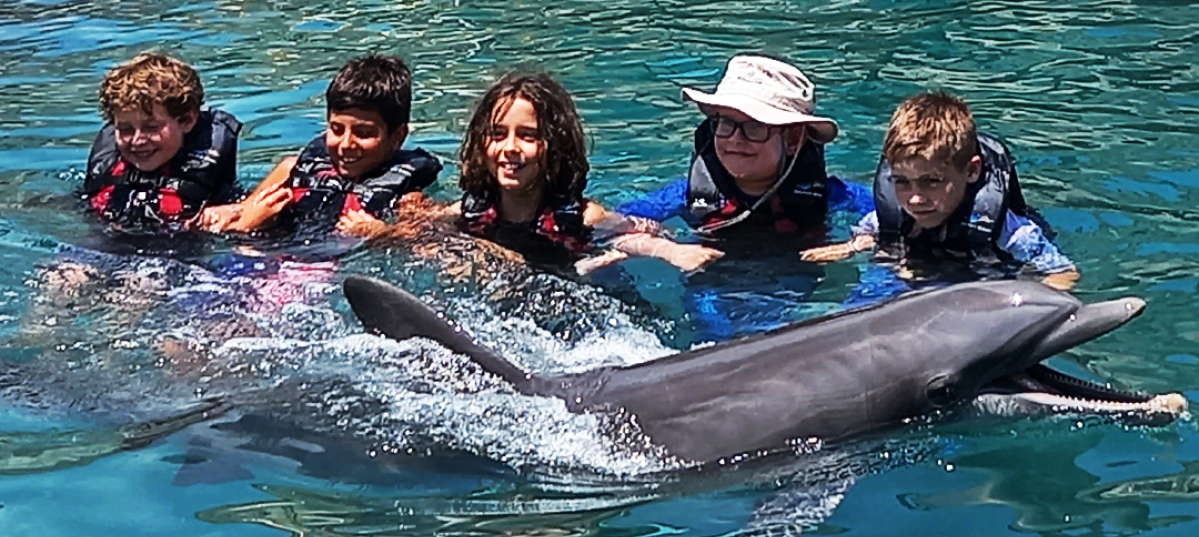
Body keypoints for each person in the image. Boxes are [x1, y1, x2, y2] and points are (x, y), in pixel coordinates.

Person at [343, 72, 721, 277]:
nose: (509, 148)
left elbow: (631, 236)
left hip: (574, 289)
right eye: (497, 134)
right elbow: (421, 228)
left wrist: (672, 251)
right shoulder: (472, 210)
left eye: (528, 136)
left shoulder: (579, 215)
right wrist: (379, 234)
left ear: (553, 147)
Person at [801, 92, 1079, 292]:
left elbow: (1063, 272)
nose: (915, 198)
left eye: (932, 181)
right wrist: (849, 248)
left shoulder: (1012, 232)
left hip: (980, 282)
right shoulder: (893, 213)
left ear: (971, 171)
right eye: (902, 181)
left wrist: (1025, 307)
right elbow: (872, 232)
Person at [617, 54, 872, 256]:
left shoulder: (831, 196)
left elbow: (890, 219)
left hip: (794, 280)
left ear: (793, 139)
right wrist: (664, 248)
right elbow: (613, 225)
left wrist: (853, 245)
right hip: (714, 279)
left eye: (755, 127)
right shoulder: (686, 195)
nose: (735, 140)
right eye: (726, 124)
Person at [217, 54, 442, 243]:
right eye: (336, 129)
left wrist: (380, 234)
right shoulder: (291, 169)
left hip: (321, 269)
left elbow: (421, 239)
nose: (346, 144)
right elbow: (241, 211)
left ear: (397, 136)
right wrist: (244, 223)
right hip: (268, 254)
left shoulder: (408, 194)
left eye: (363, 133)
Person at [82, 52, 243, 254]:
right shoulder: (111, 169)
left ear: (186, 121)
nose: (137, 140)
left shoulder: (214, 191)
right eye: (125, 129)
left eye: (151, 127)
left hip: (179, 252)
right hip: (108, 243)